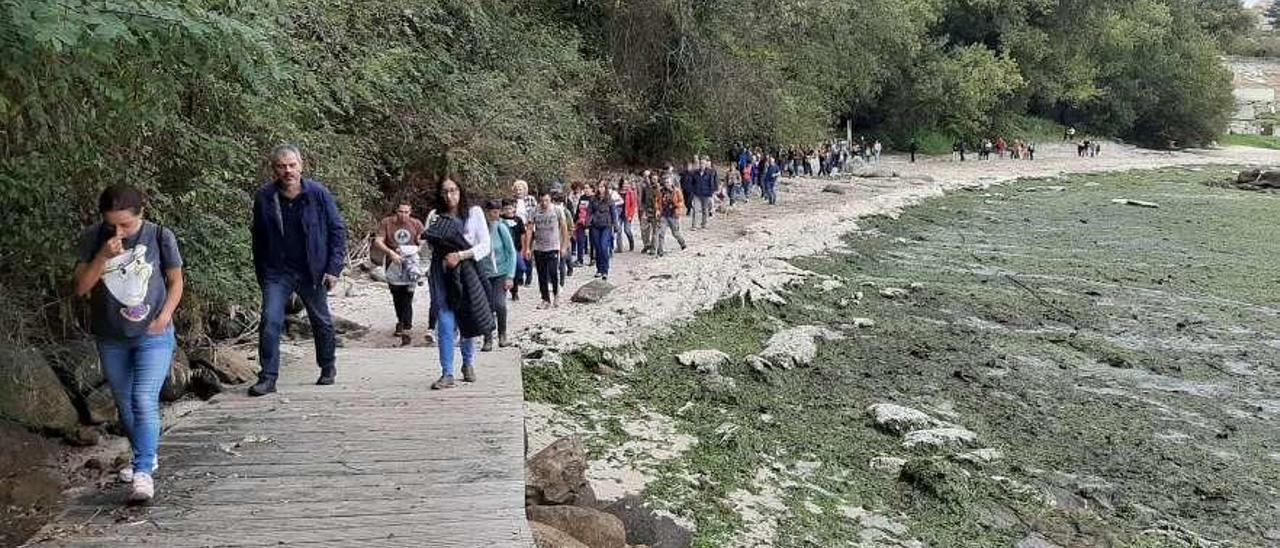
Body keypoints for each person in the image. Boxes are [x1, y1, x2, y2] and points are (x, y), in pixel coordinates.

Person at [74, 185, 183, 504]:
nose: (118, 230)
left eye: (126, 224)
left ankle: (143, 472)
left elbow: (176, 281)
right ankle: (146, 456)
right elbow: (81, 287)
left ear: (141, 213)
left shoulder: (161, 236)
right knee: (125, 405)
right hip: (111, 337)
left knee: (143, 398)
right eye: (112, 224)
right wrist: (103, 256)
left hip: (154, 335)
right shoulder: (94, 238)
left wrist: (164, 316)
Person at [250, 144, 346, 397]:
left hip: (311, 269)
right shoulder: (265, 197)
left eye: (292, 165)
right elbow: (258, 238)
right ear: (274, 169)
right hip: (277, 271)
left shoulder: (318, 194)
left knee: (321, 320)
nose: (288, 171)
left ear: (301, 165)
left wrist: (334, 268)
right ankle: (268, 377)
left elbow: (337, 230)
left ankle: (327, 366)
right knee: (270, 320)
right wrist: (262, 273)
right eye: (282, 166)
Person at [423, 177, 493, 389]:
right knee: (444, 322)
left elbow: (485, 245)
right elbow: (428, 247)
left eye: (453, 190)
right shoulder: (435, 216)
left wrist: (461, 255)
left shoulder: (474, 213)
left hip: (467, 271)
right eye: (445, 191)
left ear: (460, 191)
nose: (449, 195)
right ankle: (447, 372)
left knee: (467, 318)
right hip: (441, 273)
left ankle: (468, 363)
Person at [373, 203, 424, 340]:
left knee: (408, 295)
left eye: (407, 212)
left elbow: (422, 239)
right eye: (401, 212)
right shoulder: (387, 223)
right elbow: (378, 241)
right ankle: (401, 320)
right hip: (393, 260)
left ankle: (406, 326)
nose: (404, 215)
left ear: (410, 212)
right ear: (396, 211)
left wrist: (418, 247)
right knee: (396, 294)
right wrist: (390, 252)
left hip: (410, 262)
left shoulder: (416, 223)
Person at [481, 200, 516, 351]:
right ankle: (487, 338)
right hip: (484, 272)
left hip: (501, 271)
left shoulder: (501, 227)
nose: (493, 215)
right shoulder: (480, 229)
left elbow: (511, 252)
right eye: (490, 212)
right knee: (486, 306)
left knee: (499, 304)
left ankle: (502, 335)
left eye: (496, 212)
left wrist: (510, 275)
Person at [529, 189, 571, 308]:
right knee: (541, 274)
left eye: (546, 200)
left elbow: (564, 228)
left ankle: (557, 293)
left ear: (550, 200)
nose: (544, 203)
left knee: (553, 272)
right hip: (539, 247)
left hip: (553, 246)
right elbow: (529, 229)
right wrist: (527, 247)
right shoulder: (534, 211)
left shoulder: (557, 210)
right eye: (542, 201)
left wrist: (564, 246)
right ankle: (545, 299)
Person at [511, 180, 537, 287]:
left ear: (525, 190)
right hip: (516, 228)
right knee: (517, 250)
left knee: (527, 250)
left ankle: (529, 275)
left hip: (528, 227)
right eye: (516, 189)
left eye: (520, 189)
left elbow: (535, 212)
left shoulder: (531, 200)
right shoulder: (512, 201)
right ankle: (519, 275)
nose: (518, 191)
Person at [588, 179, 615, 281]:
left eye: (603, 187)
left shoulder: (610, 200)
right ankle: (599, 269)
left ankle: (605, 270)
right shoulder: (593, 199)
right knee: (598, 248)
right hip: (595, 225)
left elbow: (614, 213)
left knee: (604, 247)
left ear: (606, 188)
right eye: (599, 187)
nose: (601, 189)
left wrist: (615, 226)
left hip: (606, 226)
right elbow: (589, 212)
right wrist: (587, 223)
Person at [500, 199, 527, 301]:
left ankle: (515, 290)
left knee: (519, 268)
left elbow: (522, 234)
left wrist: (524, 248)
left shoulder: (518, 220)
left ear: (514, 208)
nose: (508, 210)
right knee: (505, 272)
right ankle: (504, 291)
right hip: (503, 250)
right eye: (506, 208)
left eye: (510, 208)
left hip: (515, 249)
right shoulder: (500, 220)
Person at [655, 176, 687, 257]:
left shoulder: (676, 191)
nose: (667, 184)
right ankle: (660, 250)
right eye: (665, 182)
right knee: (661, 233)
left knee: (675, 233)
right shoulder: (660, 191)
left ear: (671, 183)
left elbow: (681, 201)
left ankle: (682, 243)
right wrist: (657, 210)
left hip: (673, 214)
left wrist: (677, 209)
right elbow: (657, 201)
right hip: (664, 215)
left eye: (668, 182)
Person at [639, 173, 660, 255]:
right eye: (653, 179)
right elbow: (643, 199)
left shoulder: (660, 189)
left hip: (656, 211)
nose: (654, 180)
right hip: (647, 210)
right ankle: (647, 244)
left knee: (655, 231)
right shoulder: (646, 188)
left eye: (655, 179)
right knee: (644, 229)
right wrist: (642, 208)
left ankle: (653, 248)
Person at [618, 178, 638, 252]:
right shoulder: (618, 192)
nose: (625, 185)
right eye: (624, 183)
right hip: (619, 214)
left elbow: (633, 205)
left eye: (627, 183)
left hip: (627, 214)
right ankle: (619, 248)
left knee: (627, 230)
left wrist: (630, 215)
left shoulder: (630, 193)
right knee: (619, 231)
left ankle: (631, 243)